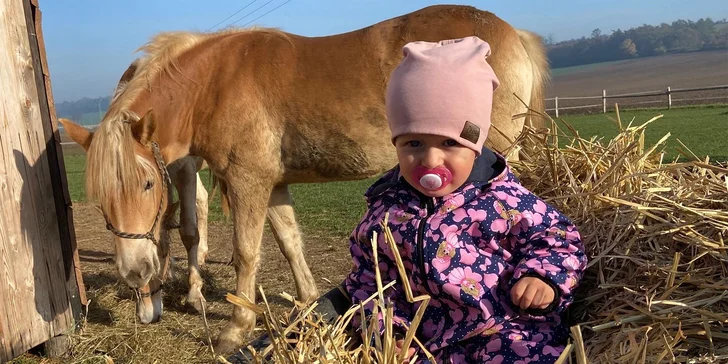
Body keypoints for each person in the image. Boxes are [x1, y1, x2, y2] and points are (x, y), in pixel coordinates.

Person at [343, 36, 588, 363]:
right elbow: (368, 283)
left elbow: (559, 238)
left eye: (448, 142)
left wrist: (541, 277)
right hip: (429, 344)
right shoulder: (386, 211)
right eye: (413, 143)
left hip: (505, 328)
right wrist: (387, 333)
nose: (430, 160)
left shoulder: (503, 199)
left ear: (475, 144)